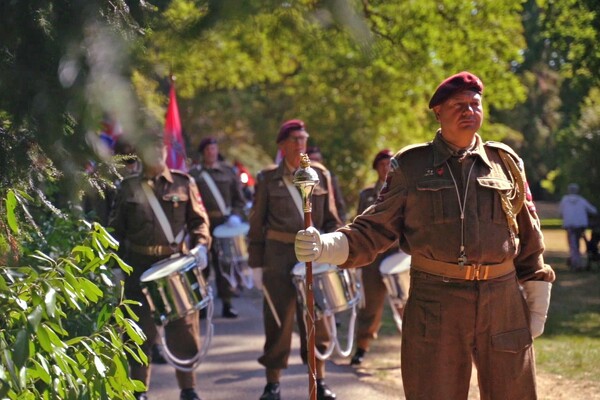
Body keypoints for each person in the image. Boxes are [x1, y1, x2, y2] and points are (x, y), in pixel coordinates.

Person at [295, 71, 556, 400]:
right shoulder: (411, 165)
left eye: (475, 104)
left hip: (501, 299)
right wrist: (325, 246)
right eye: (458, 105)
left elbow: (529, 235)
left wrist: (536, 299)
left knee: (514, 393)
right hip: (437, 301)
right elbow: (375, 227)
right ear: (438, 112)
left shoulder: (505, 163)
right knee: (434, 392)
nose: (468, 111)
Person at [108, 133, 211, 400]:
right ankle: (139, 390)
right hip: (138, 267)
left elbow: (199, 221)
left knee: (184, 330)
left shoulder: (182, 182)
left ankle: (188, 389)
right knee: (139, 332)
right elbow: (114, 231)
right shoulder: (128, 187)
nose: (156, 151)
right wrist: (114, 266)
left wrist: (201, 246)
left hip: (175, 266)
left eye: (159, 146)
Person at [248, 119, 343, 400]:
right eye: (295, 140)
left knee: (316, 318)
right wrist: (255, 263)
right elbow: (257, 223)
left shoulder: (320, 174)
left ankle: (320, 381)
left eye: (304, 139)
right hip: (278, 256)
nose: (301, 144)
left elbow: (332, 219)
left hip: (313, 256)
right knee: (277, 320)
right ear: (282, 146)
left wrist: (336, 252)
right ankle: (273, 384)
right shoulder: (268, 178)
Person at [349, 149, 399, 366]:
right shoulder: (367, 195)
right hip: (372, 257)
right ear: (376, 168)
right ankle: (361, 347)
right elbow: (360, 226)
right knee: (369, 306)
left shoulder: (403, 190)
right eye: (382, 164)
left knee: (405, 304)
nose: (386, 168)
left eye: (390, 164)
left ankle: (414, 350)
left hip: (398, 255)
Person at [189, 136, 248, 318]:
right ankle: (203, 304)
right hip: (203, 225)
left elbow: (239, 199)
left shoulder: (228, 171)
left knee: (225, 265)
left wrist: (236, 217)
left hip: (225, 225)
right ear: (202, 152)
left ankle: (228, 303)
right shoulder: (194, 175)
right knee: (202, 267)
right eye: (207, 150)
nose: (211, 152)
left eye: (213, 149)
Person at [559, 183, 597, 271]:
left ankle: (575, 263)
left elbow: (560, 212)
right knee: (576, 244)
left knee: (572, 245)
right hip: (580, 226)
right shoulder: (581, 200)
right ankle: (577, 262)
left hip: (569, 225)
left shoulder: (565, 200)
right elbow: (593, 210)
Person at [306, 146, 348, 223]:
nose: (315, 163)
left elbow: (339, 203)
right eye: (312, 160)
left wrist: (341, 222)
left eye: (317, 160)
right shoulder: (301, 178)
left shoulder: (329, 177)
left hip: (326, 226)